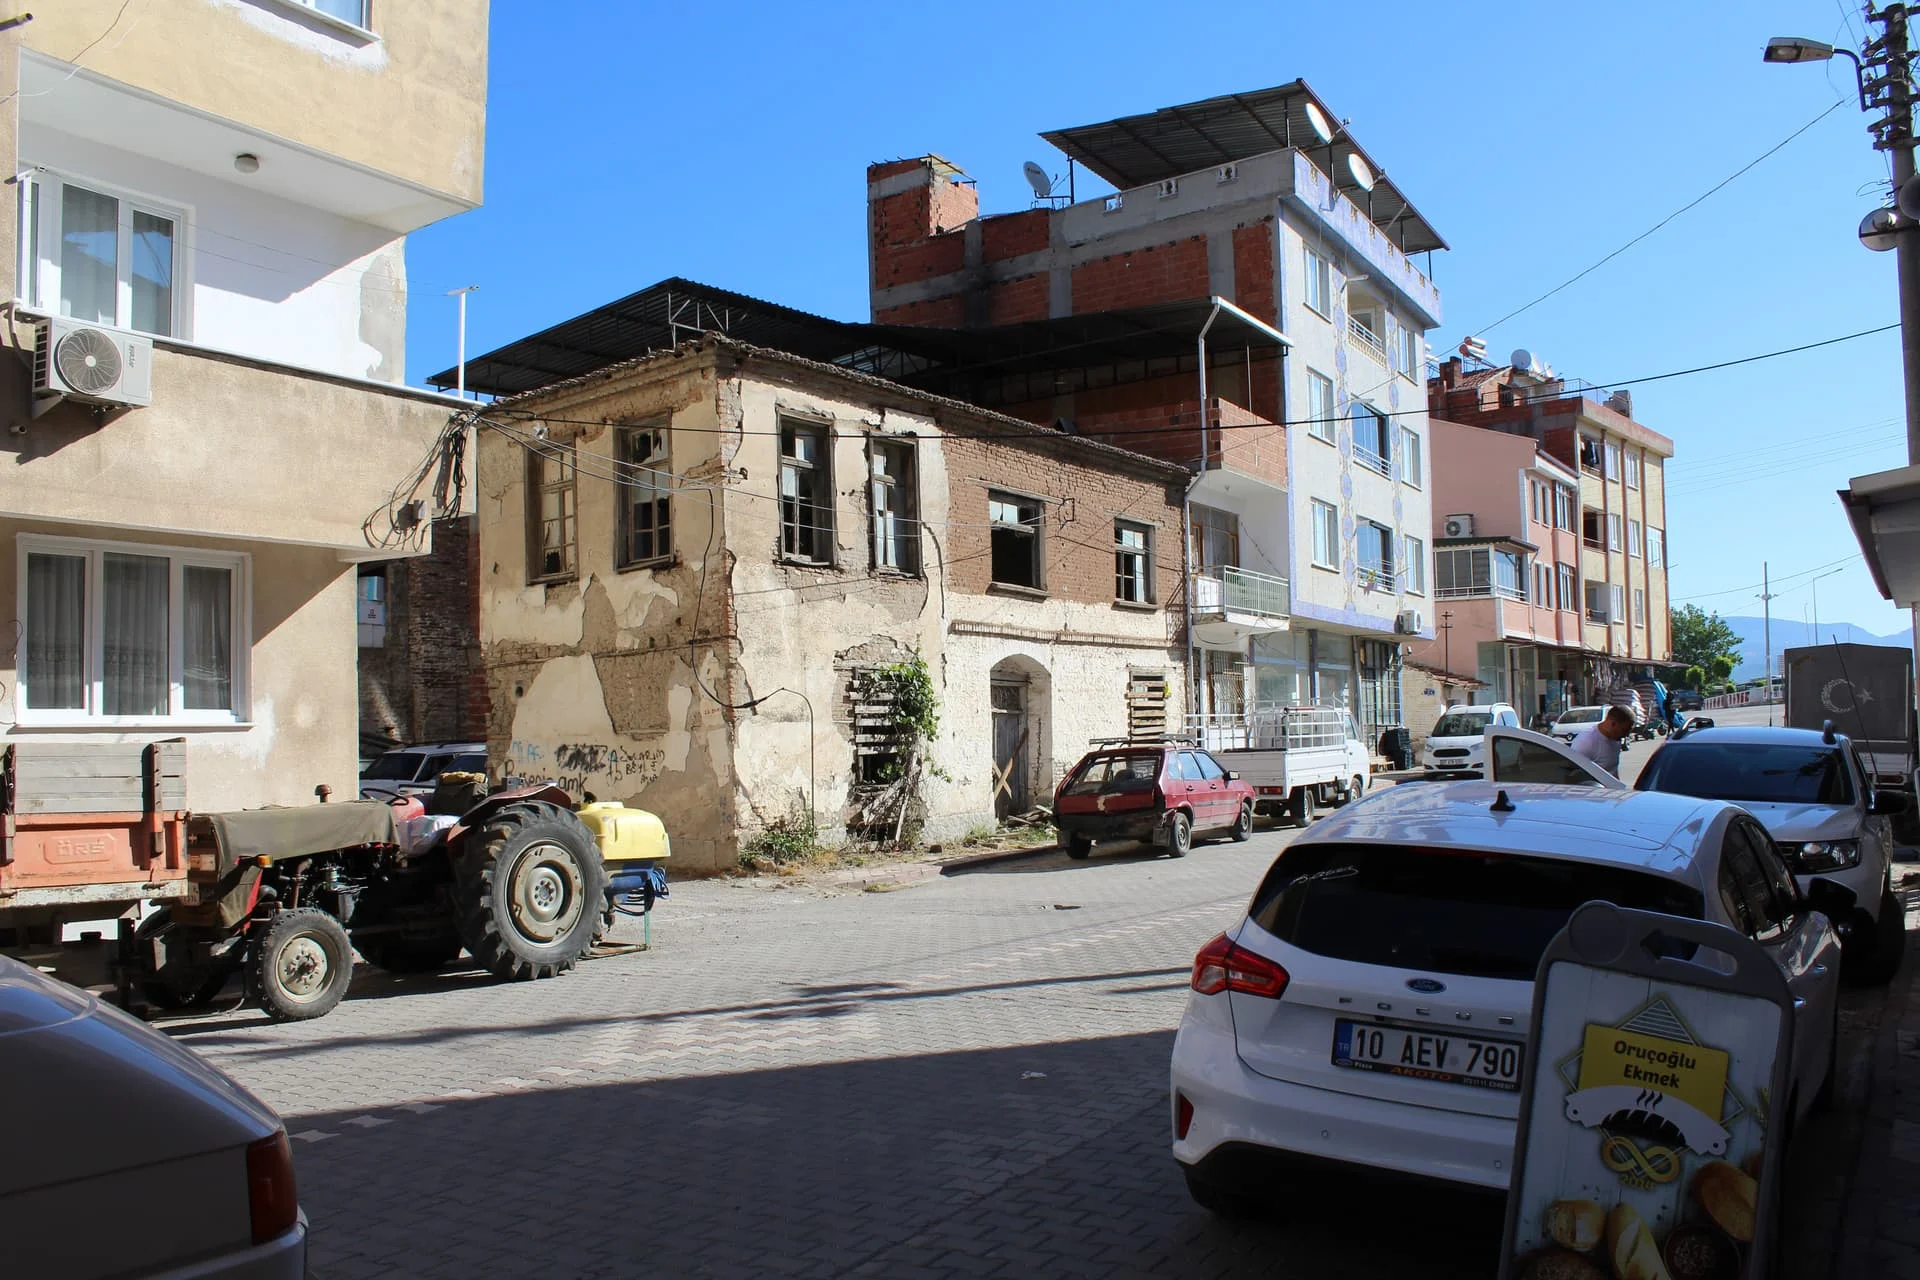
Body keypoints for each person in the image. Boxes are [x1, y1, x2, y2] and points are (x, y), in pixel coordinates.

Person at [1571, 705, 1635, 776]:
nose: (1626, 735)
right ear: (1613, 723)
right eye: (1624, 730)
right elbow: (1574, 774)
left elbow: (1613, 769)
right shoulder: (1585, 742)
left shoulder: (1616, 738)